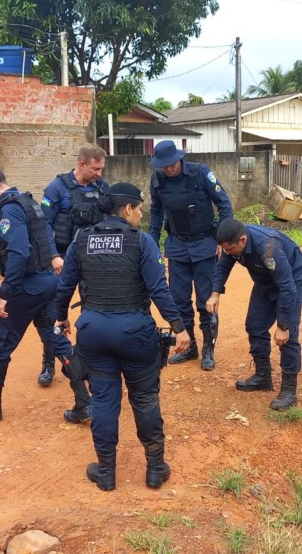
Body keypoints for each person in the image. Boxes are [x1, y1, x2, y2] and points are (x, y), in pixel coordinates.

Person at [55, 182, 190, 491]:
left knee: (103, 400)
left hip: (93, 330)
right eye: (140, 209)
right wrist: (178, 326)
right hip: (134, 332)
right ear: (127, 209)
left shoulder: (81, 239)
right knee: (144, 398)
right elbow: (158, 289)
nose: (141, 215)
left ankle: (105, 472)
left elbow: (65, 285)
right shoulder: (141, 242)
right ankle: (155, 469)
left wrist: (62, 317)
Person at [0, 166, 90, 424]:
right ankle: (85, 401)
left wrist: (4, 294)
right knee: (56, 340)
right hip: (47, 284)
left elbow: (18, 253)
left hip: (26, 288)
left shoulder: (9, 210)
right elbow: (2, 252)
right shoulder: (29, 202)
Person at [206, 218, 302, 411]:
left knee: (287, 337)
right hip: (265, 281)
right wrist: (215, 294)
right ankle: (263, 376)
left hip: (292, 281)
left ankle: (289, 390)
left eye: (230, 250)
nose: (227, 254)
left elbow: (287, 287)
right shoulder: (232, 243)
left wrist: (283, 325)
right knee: (255, 325)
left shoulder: (268, 248)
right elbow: (223, 266)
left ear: (243, 240)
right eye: (225, 250)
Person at [148, 140, 232, 371]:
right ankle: (191, 346)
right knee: (179, 300)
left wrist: (221, 238)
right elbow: (156, 212)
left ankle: (208, 349)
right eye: (163, 166)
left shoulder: (200, 172)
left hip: (205, 243)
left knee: (206, 301)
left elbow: (224, 204)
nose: (168, 169)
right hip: (177, 245)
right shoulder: (157, 181)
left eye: (171, 164)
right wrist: (152, 244)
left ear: (179, 158)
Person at [33, 144, 110, 387]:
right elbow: (43, 225)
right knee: (54, 312)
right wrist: (53, 256)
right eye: (95, 168)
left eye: (101, 168)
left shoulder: (102, 188)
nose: (99, 172)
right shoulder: (57, 188)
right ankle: (49, 362)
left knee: (93, 309)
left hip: (93, 258)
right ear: (82, 164)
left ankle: (92, 358)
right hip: (63, 258)